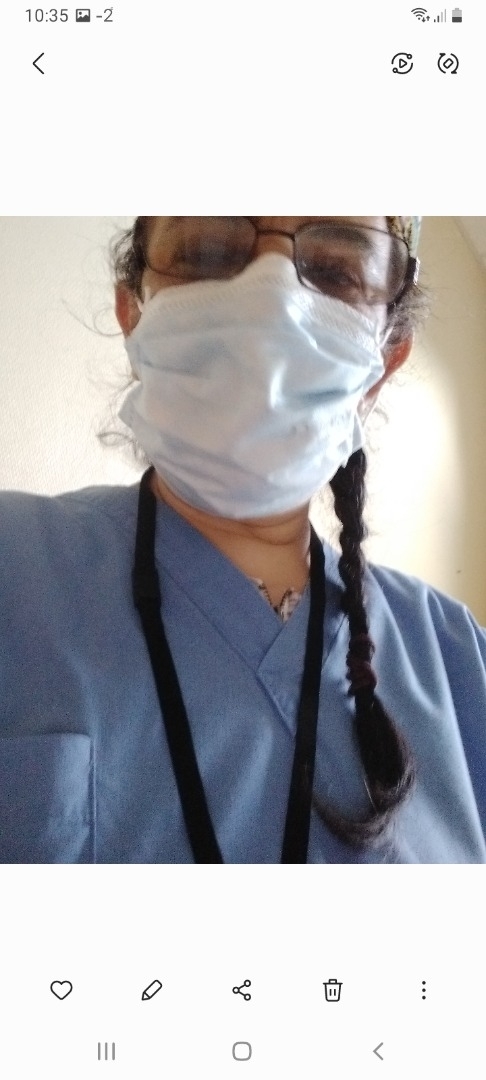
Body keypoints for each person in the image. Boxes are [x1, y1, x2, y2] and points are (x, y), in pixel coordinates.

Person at [1, 216, 485, 864]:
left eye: (336, 271)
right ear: (132, 314)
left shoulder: (457, 660)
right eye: (205, 252)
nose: (271, 298)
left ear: (386, 358)